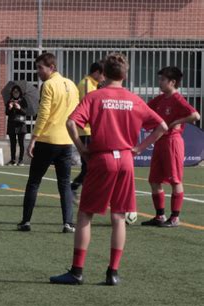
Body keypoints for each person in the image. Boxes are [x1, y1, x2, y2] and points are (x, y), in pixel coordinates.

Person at [50, 53, 167, 286]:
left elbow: (71, 122)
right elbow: (161, 126)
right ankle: (112, 272)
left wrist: (82, 148)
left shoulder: (96, 96)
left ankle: (77, 271)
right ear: (125, 74)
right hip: (125, 159)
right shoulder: (134, 99)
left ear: (103, 72)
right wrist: (139, 148)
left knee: (85, 214)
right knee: (119, 216)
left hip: (102, 158)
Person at [17, 52, 79, 233]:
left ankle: (26, 221)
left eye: (40, 67)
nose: (38, 71)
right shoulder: (71, 84)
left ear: (51, 67)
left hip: (47, 140)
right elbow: (76, 110)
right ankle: (68, 222)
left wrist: (33, 139)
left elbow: (43, 113)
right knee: (64, 183)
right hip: (66, 141)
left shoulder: (49, 84)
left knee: (34, 182)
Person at [142, 67, 201, 227]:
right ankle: (160, 216)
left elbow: (196, 115)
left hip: (172, 142)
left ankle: (175, 218)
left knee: (175, 180)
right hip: (160, 141)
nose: (159, 83)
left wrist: (177, 122)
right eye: (159, 79)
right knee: (154, 180)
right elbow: (145, 108)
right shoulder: (161, 99)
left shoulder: (177, 99)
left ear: (172, 82)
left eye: (162, 80)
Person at [71, 61, 105, 203]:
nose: (104, 78)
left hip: (93, 130)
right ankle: (74, 188)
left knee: (93, 165)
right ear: (96, 72)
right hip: (86, 130)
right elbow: (89, 108)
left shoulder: (95, 85)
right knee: (89, 165)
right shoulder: (86, 84)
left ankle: (79, 190)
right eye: (104, 75)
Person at [5, 85, 28, 166]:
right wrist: (10, 108)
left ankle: (21, 160)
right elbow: (6, 113)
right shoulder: (9, 101)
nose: (15, 93)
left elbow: (25, 112)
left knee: (21, 143)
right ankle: (13, 160)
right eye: (14, 92)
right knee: (13, 143)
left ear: (19, 92)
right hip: (12, 124)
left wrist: (19, 108)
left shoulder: (23, 101)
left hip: (21, 125)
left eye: (17, 92)